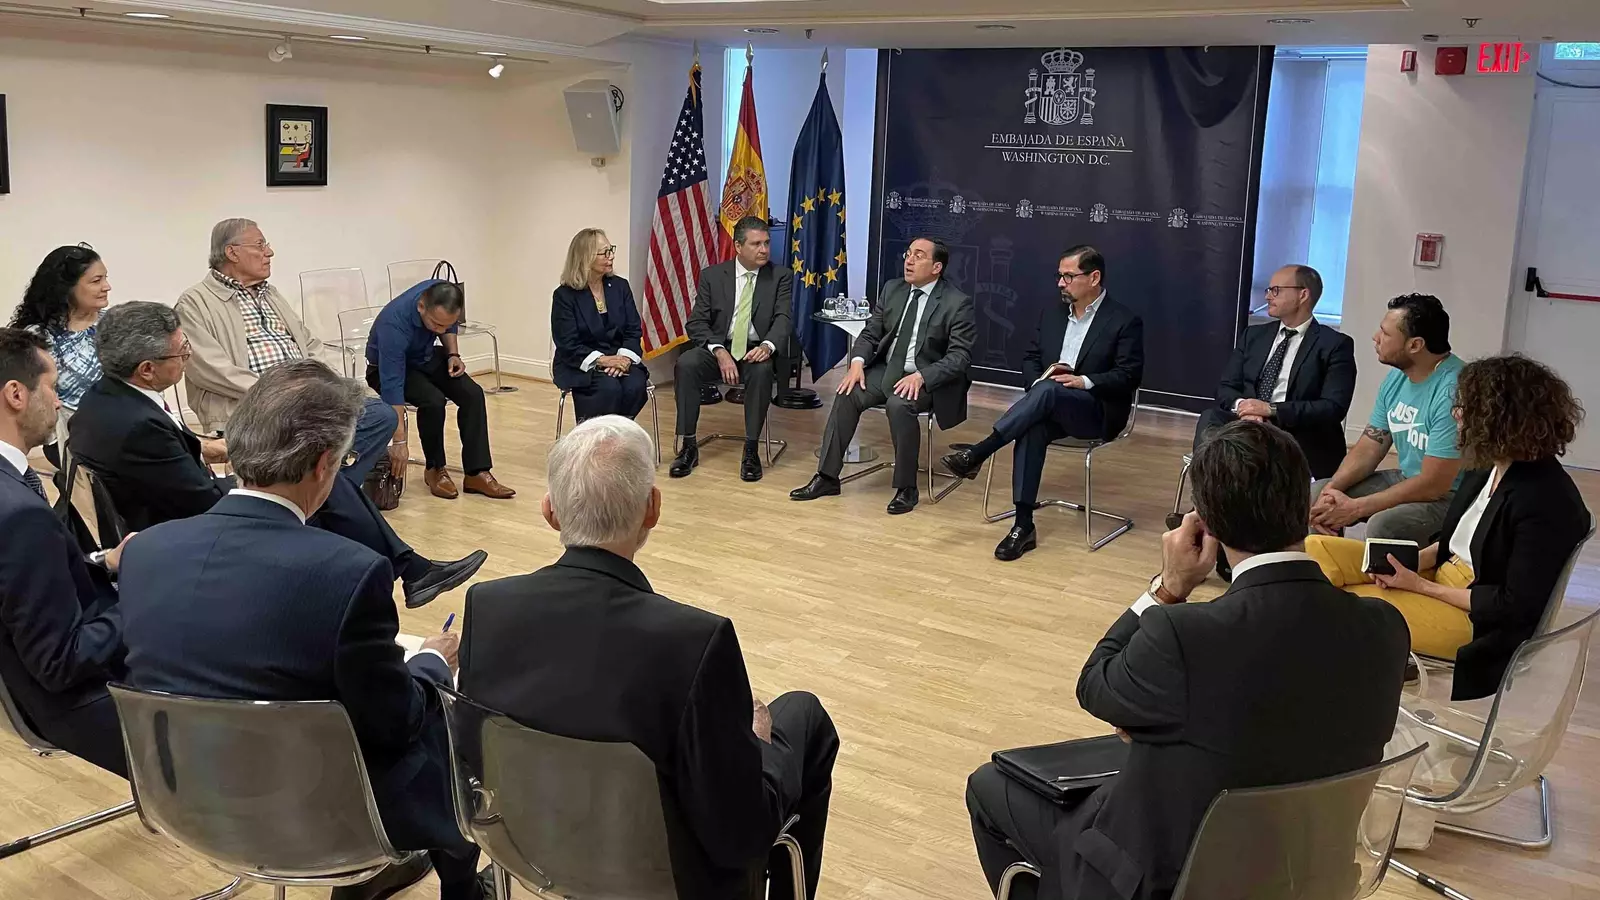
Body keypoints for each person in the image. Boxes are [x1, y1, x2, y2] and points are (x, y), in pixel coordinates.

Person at [966, 420, 1409, 900]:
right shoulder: (1385, 627)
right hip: (1312, 875)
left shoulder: (1185, 636)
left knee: (988, 785)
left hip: (1172, 881)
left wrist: (1169, 587)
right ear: (1305, 506)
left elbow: (1094, 684)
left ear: (1206, 525)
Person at [117, 359, 490, 900]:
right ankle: (463, 889)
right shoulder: (348, 572)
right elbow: (395, 723)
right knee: (452, 716)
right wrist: (432, 663)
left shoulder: (145, 551)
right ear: (323, 466)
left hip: (183, 803)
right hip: (324, 818)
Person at [460, 416, 838, 900]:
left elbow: (477, 758)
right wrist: (760, 745)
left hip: (534, 850)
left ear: (549, 511)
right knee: (804, 715)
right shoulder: (696, 640)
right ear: (652, 509)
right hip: (670, 879)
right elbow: (740, 834)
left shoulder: (487, 606)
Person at [69, 302, 482, 610]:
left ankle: (407, 570)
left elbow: (168, 459)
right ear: (146, 368)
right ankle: (398, 574)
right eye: (181, 352)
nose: (188, 357)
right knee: (315, 481)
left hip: (167, 505)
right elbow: (199, 499)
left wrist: (213, 449)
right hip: (188, 525)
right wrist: (253, 478)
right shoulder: (138, 424)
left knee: (324, 482)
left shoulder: (103, 400)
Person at [1307, 355, 1590, 700]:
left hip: (1475, 619)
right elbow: (1452, 542)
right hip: (1444, 575)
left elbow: (1510, 605)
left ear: (1498, 418)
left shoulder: (1544, 501)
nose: (1455, 414)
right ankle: (1335, 651)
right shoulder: (1489, 467)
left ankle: (1332, 674)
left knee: (1346, 603)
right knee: (1316, 550)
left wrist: (1418, 586)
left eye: (1464, 407)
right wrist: (1410, 562)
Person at [941, 246, 1144, 560]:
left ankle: (980, 452)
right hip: (1049, 405)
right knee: (1032, 424)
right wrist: (1037, 382)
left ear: (1094, 277)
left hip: (1096, 410)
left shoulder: (1123, 320)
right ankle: (1023, 526)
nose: (1060, 283)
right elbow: (1031, 358)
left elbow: (1129, 375)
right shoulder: (1053, 314)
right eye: (1059, 276)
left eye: (1068, 276)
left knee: (1048, 393)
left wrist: (1084, 381)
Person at [175, 218, 397, 485]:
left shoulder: (270, 294)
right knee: (318, 435)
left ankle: (324, 493)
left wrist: (325, 383)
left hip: (304, 396)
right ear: (232, 253)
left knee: (379, 415)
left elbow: (309, 344)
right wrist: (281, 392)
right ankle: (326, 495)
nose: (269, 252)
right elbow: (210, 370)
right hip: (253, 406)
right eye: (260, 245)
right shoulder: (194, 303)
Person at [0, 328, 129, 777]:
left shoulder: (13, 493)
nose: (58, 402)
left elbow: (19, 584)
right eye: (52, 387)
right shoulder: (18, 512)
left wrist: (101, 562)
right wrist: (145, 597)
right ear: (16, 394)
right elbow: (61, 662)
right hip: (87, 709)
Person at [791, 237, 974, 514]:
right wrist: (856, 363)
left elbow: (960, 357)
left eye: (919, 256)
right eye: (908, 254)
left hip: (926, 378)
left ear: (937, 267)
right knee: (847, 392)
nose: (909, 260)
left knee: (899, 405)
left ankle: (906, 487)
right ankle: (827, 477)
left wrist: (922, 376)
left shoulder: (957, 302)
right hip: (887, 370)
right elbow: (871, 333)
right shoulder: (893, 289)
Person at [1309, 293, 1464, 544]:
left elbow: (1434, 484)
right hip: (1408, 478)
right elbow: (1369, 447)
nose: (1375, 337)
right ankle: (1326, 565)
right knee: (1316, 496)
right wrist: (1332, 489)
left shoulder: (1454, 391)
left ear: (1415, 345)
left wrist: (1357, 508)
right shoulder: (1398, 377)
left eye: (1385, 333)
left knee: (1384, 525)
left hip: (1449, 495)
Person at [1194, 265, 1355, 479]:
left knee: (1242, 461)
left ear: (1303, 295)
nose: (1268, 296)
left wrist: (1270, 410)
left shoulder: (1334, 344)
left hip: (1295, 431)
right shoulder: (1253, 336)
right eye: (1269, 290)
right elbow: (1226, 387)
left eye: (1276, 290)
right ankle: (1208, 491)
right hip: (1246, 424)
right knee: (1211, 418)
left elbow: (1332, 407)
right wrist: (1245, 408)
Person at [366, 278, 515, 501]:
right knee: (433, 400)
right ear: (421, 307)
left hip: (424, 355)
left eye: (446, 325)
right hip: (385, 369)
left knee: (473, 394)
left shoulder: (443, 295)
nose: (441, 330)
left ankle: (476, 473)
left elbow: (449, 325)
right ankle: (434, 469)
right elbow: (392, 385)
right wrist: (399, 442)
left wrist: (453, 354)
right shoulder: (394, 326)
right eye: (436, 325)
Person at [670, 216, 794, 483]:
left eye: (766, 243)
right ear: (738, 246)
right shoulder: (713, 276)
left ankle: (751, 450)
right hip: (719, 347)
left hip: (756, 350)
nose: (764, 249)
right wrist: (718, 351)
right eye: (756, 244)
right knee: (687, 364)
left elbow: (783, 319)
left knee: (761, 371)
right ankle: (688, 445)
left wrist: (768, 345)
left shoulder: (780, 276)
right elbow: (697, 322)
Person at [10, 244, 112, 464]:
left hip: (124, 427)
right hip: (70, 439)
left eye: (106, 278)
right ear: (67, 288)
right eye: (96, 281)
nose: (107, 286)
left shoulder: (115, 324)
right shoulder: (39, 337)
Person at [550, 228, 650, 425]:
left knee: (634, 385)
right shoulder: (564, 296)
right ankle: (596, 435)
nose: (611, 256)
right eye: (604, 252)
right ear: (585, 258)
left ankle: (619, 433)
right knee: (608, 388)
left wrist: (623, 359)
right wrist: (603, 361)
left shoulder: (620, 286)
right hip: (580, 363)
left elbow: (633, 330)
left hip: (619, 357)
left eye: (611, 250)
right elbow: (568, 344)